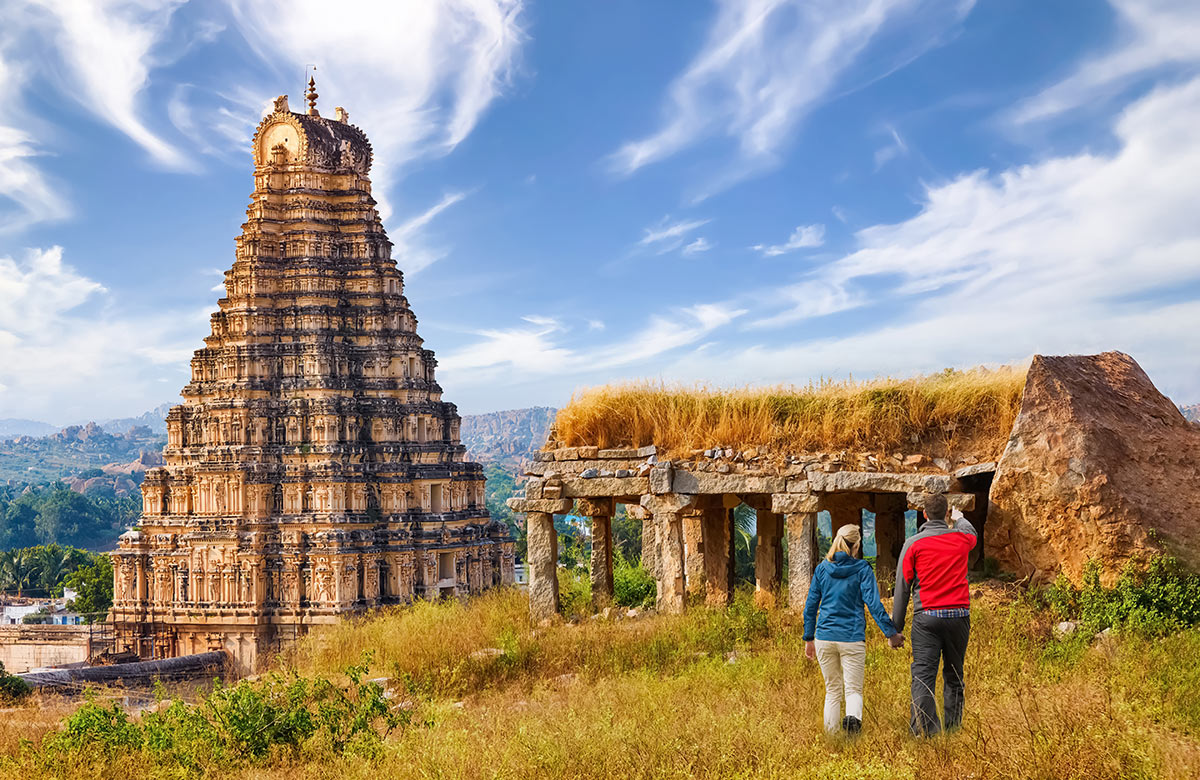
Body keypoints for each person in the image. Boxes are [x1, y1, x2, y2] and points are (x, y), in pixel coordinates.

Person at [891, 493, 978, 736]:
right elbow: (972, 533)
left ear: (924, 514)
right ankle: (953, 729)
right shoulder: (961, 539)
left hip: (927, 616)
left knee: (923, 676)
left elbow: (902, 588)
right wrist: (959, 518)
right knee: (954, 675)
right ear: (947, 514)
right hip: (958, 616)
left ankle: (924, 732)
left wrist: (894, 629)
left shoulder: (913, 544)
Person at [803, 523, 902, 736]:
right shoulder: (862, 569)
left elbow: (811, 606)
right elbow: (874, 604)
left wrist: (809, 638)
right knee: (853, 690)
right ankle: (852, 729)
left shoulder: (822, 569)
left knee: (832, 691)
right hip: (851, 638)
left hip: (824, 637)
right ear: (856, 545)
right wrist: (891, 633)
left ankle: (832, 737)